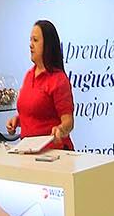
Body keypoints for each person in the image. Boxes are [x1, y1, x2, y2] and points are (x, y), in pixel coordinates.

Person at [14, 21, 75, 151]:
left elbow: (68, 122)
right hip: (28, 150)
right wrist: (17, 120)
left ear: (48, 45)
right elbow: (34, 113)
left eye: (35, 40)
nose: (31, 45)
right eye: (30, 40)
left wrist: (60, 130)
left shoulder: (58, 80)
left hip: (54, 152)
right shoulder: (29, 75)